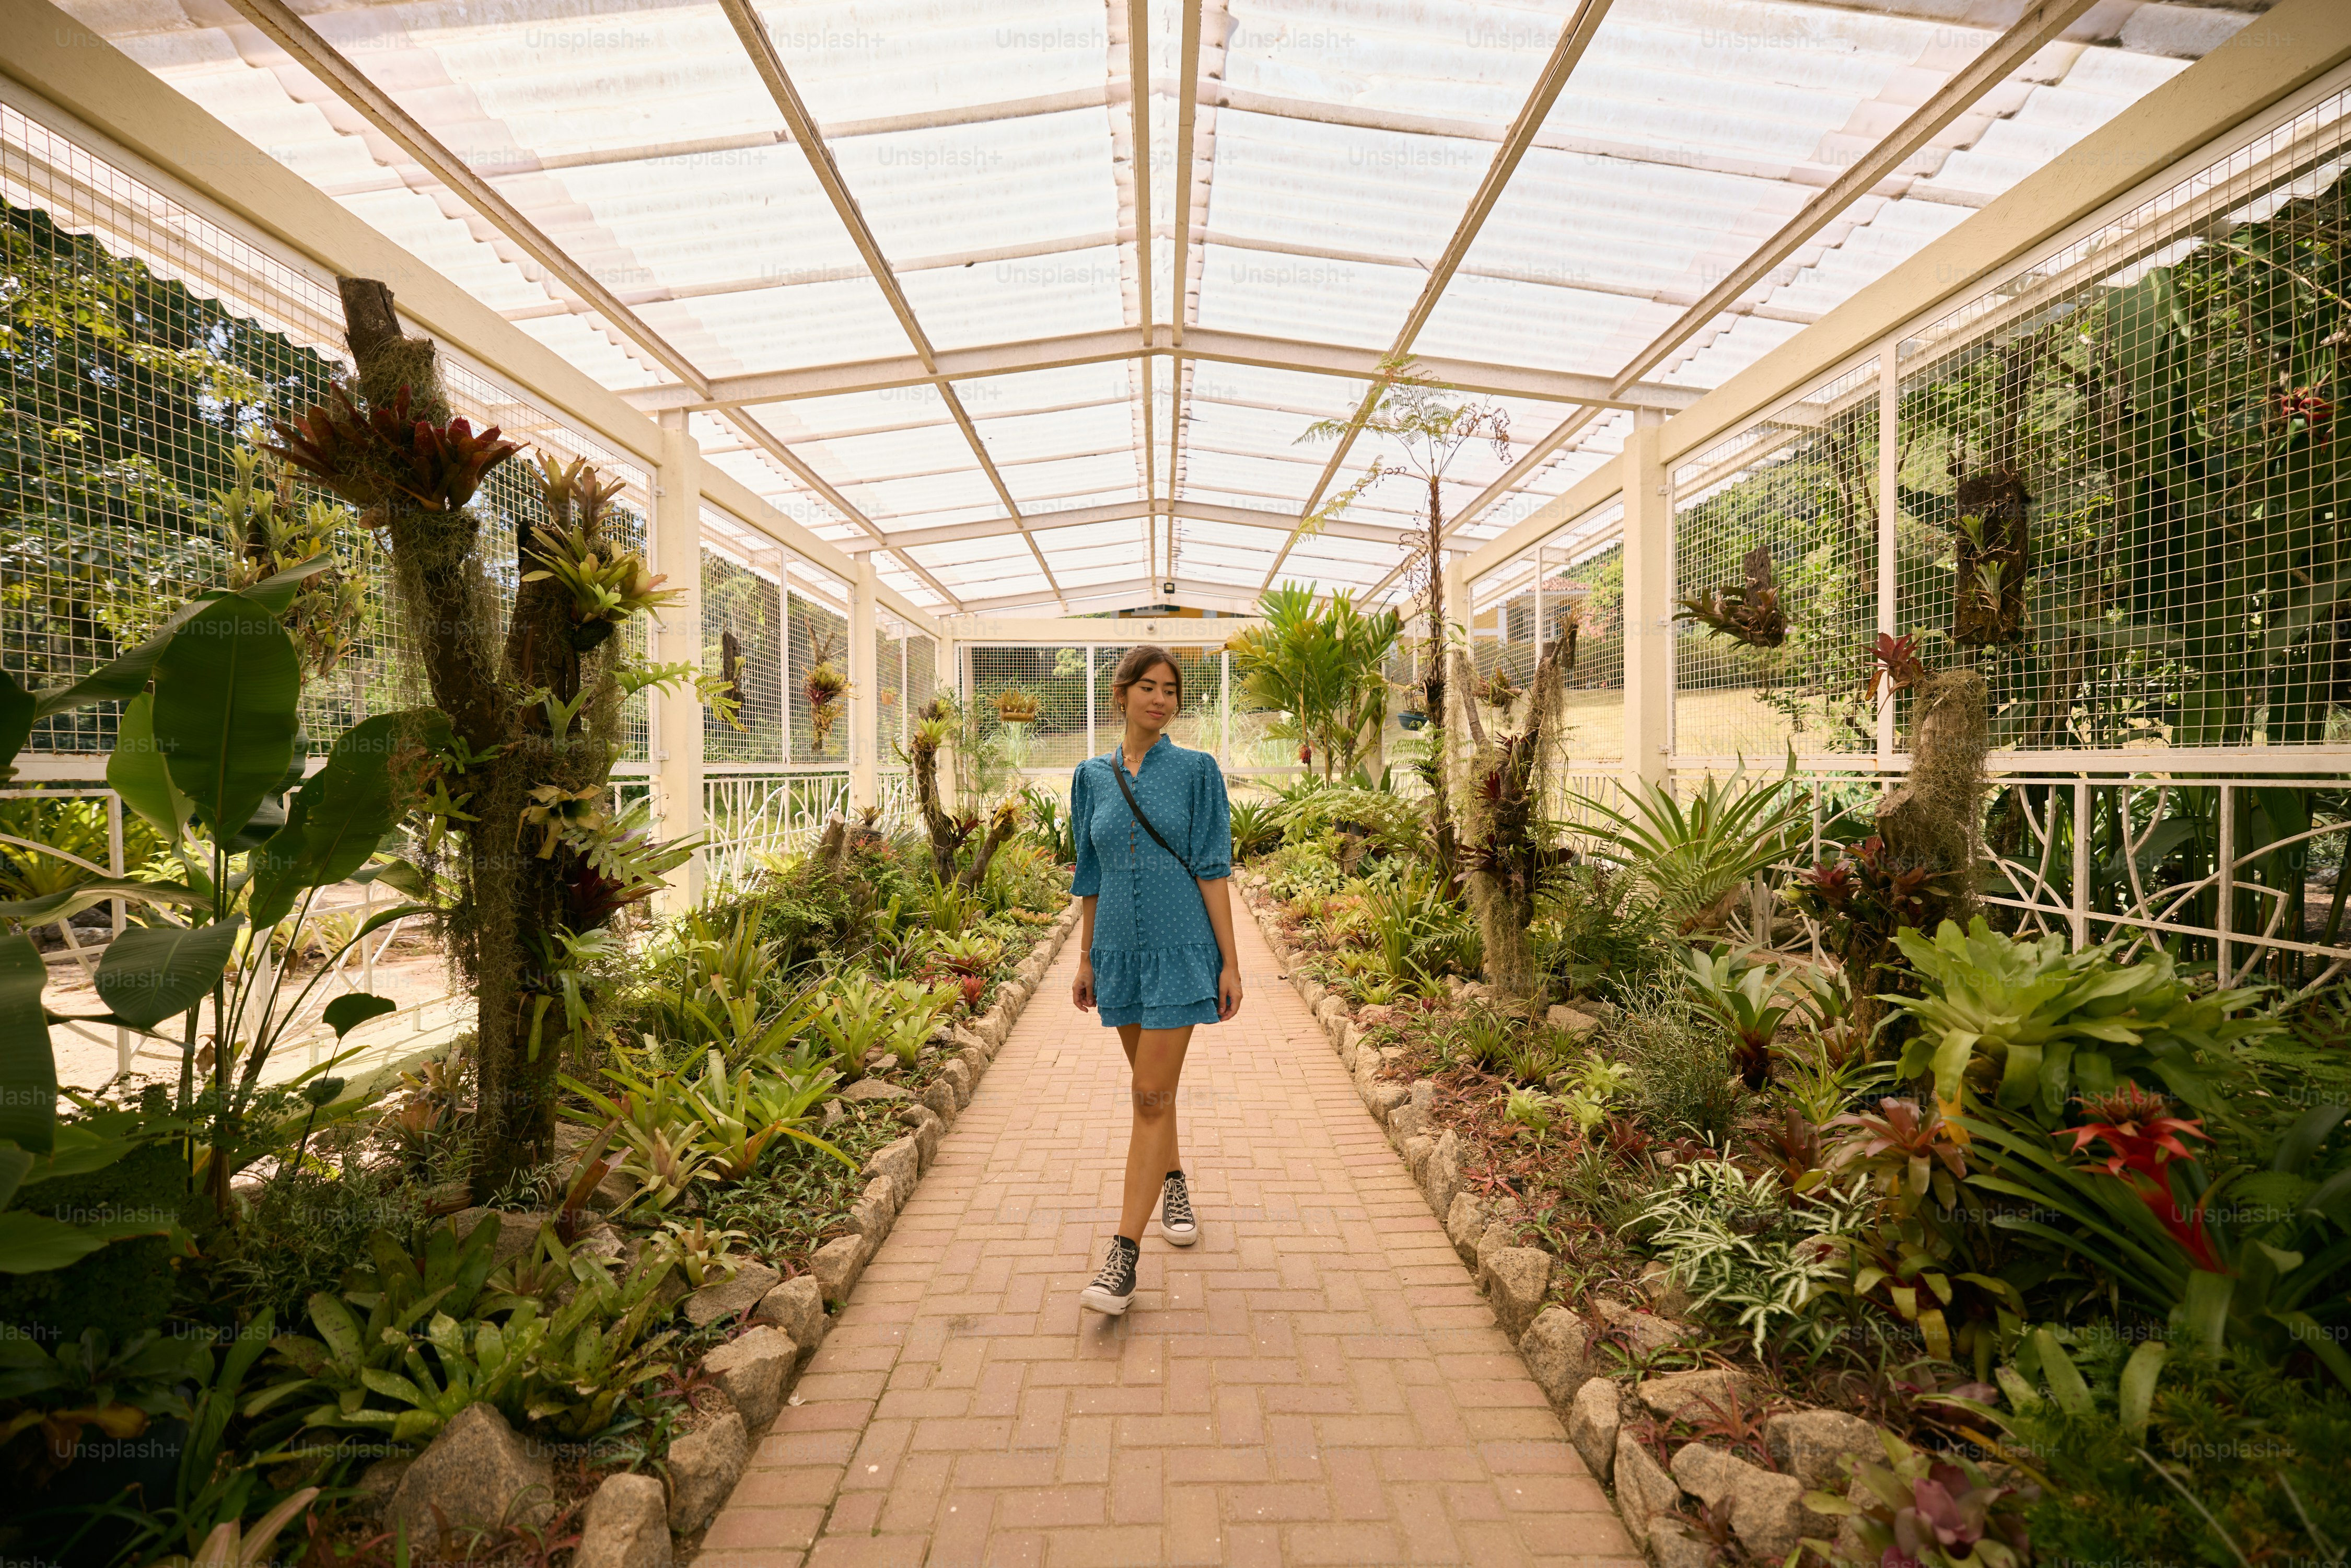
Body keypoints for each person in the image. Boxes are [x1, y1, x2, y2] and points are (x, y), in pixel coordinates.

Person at [1067, 644, 1243, 1315]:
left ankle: (1122, 1258)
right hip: (1117, 955)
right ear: (1122, 694)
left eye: (1171, 689)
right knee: (1155, 1095)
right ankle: (1174, 1181)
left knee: (1147, 1095)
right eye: (1148, 686)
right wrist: (1085, 958)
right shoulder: (1090, 778)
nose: (1161, 699)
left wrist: (1230, 962)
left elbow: (1212, 867)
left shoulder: (1197, 772)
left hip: (1179, 952)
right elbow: (1090, 874)